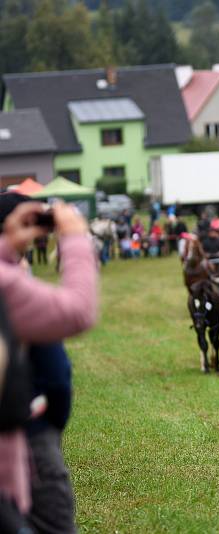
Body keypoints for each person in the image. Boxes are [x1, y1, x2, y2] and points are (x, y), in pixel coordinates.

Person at [0, 197, 97, 532]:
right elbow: (79, 311)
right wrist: (74, 237)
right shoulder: (9, 286)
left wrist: (7, 249)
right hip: (23, 444)